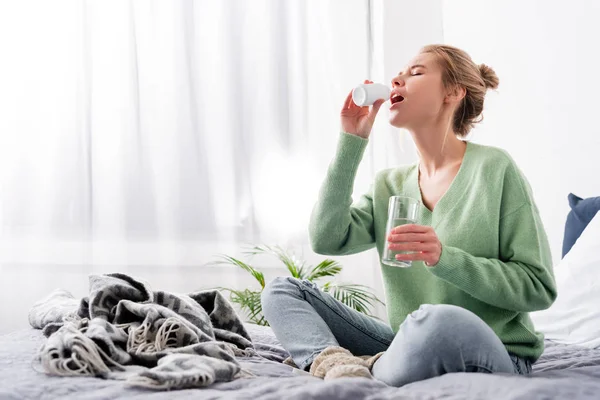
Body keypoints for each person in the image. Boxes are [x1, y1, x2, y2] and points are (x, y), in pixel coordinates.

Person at [261, 44, 557, 387]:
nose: (397, 79)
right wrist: (350, 142)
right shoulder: (391, 183)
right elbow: (327, 237)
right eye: (400, 73)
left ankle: (371, 374)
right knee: (283, 290)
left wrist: (445, 258)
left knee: (437, 320)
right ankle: (337, 367)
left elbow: (538, 288)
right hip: (409, 339)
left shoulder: (494, 169)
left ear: (453, 93)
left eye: (415, 72)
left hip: (496, 350)